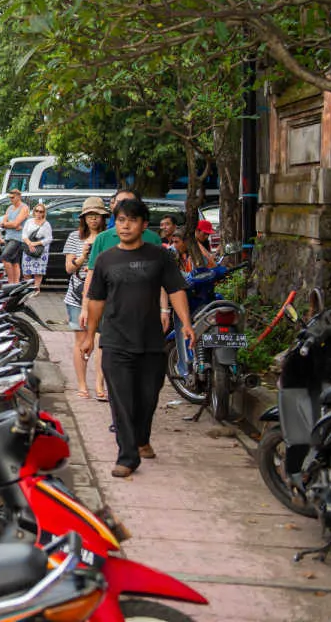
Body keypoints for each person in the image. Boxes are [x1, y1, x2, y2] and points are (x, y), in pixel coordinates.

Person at [83, 197, 194, 478]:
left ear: (144, 225)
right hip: (115, 341)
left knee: (147, 398)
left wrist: (186, 323)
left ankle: (142, 438)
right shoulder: (106, 259)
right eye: (121, 220)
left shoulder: (159, 256)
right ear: (115, 223)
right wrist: (88, 336)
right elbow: (95, 300)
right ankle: (127, 455)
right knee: (121, 400)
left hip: (151, 342)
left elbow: (176, 289)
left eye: (132, 220)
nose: (126, 225)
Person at [79, 189, 162, 331]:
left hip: (145, 314)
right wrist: (86, 308)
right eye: (119, 202)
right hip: (110, 312)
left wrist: (164, 309)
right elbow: (91, 277)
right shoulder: (103, 239)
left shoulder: (153, 240)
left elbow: (163, 280)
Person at [63, 197, 108, 400]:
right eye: (90, 215)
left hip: (103, 297)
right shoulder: (75, 237)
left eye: (97, 215)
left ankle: (100, 385)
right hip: (76, 295)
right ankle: (82, 385)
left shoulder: (108, 238)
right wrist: (82, 256)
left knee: (102, 342)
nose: (93, 219)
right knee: (80, 340)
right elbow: (69, 268)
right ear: (83, 218)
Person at [0, 189, 30, 283]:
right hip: (8, 237)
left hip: (18, 238)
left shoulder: (24, 208)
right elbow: (2, 223)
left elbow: (15, 223)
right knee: (14, 262)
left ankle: (10, 282)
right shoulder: (10, 208)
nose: (11, 199)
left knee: (4, 257)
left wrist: (8, 224)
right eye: (10, 197)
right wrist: (9, 224)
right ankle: (16, 283)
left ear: (19, 196)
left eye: (12, 197)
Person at [20, 204, 52, 292]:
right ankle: (28, 288)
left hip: (41, 250)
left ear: (44, 213)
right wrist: (30, 244)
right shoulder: (29, 222)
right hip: (28, 248)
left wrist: (36, 243)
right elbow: (24, 234)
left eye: (40, 211)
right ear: (34, 211)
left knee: (38, 271)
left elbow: (49, 238)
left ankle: (36, 288)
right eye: (36, 211)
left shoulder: (46, 224)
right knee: (27, 270)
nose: (38, 213)